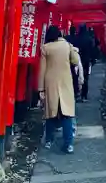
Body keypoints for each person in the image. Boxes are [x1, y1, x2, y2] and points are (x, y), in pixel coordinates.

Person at [38, 25, 79, 154]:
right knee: (67, 114)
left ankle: (49, 140)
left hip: (51, 83)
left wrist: (41, 89)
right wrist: (73, 49)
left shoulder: (45, 48)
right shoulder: (67, 45)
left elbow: (42, 70)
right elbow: (75, 61)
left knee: (51, 113)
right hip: (66, 82)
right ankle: (68, 144)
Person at [75, 24, 94, 102]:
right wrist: (92, 60)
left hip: (77, 60)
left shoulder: (77, 38)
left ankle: (77, 92)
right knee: (85, 77)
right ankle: (84, 95)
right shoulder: (89, 39)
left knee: (77, 76)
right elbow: (92, 50)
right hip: (86, 60)